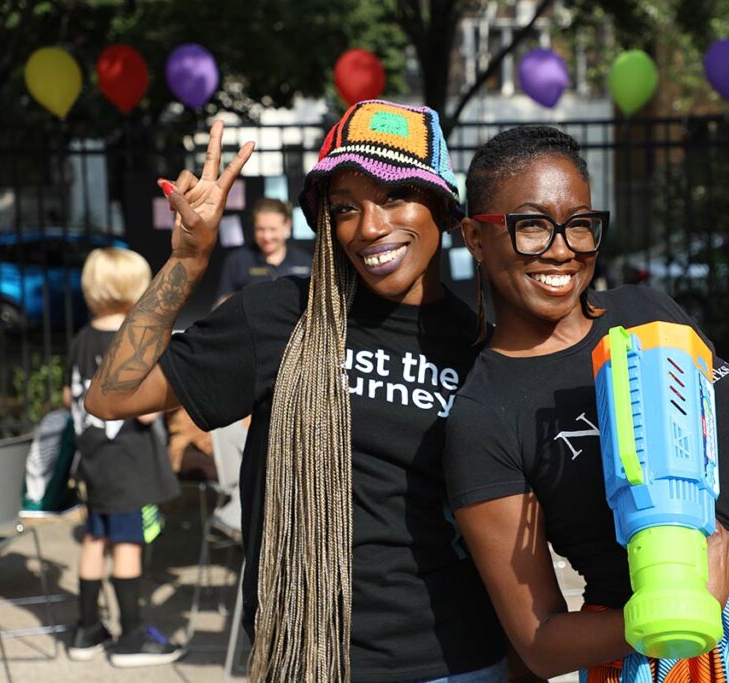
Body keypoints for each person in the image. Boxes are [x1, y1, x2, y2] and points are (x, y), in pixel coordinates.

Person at [444, 126, 729, 682]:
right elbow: (539, 640)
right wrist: (675, 608)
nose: (562, 249)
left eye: (579, 225)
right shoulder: (485, 415)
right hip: (654, 653)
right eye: (531, 226)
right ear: (475, 237)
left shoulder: (650, 311)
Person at [84, 102, 505, 681]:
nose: (371, 227)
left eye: (394, 197)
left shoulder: (482, 347)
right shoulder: (280, 315)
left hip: (458, 660)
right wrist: (186, 260)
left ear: (442, 207)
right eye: (345, 208)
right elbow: (112, 395)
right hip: (310, 655)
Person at [63, 247, 182, 667]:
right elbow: (147, 412)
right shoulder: (134, 339)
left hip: (94, 461)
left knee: (96, 538)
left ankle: (86, 629)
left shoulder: (81, 339)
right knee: (128, 543)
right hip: (129, 464)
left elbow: (69, 397)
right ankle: (131, 635)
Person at [215, 196, 311, 300]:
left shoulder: (305, 261)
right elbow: (222, 304)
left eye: (273, 229)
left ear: (287, 226)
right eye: (260, 229)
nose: (267, 236)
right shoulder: (237, 261)